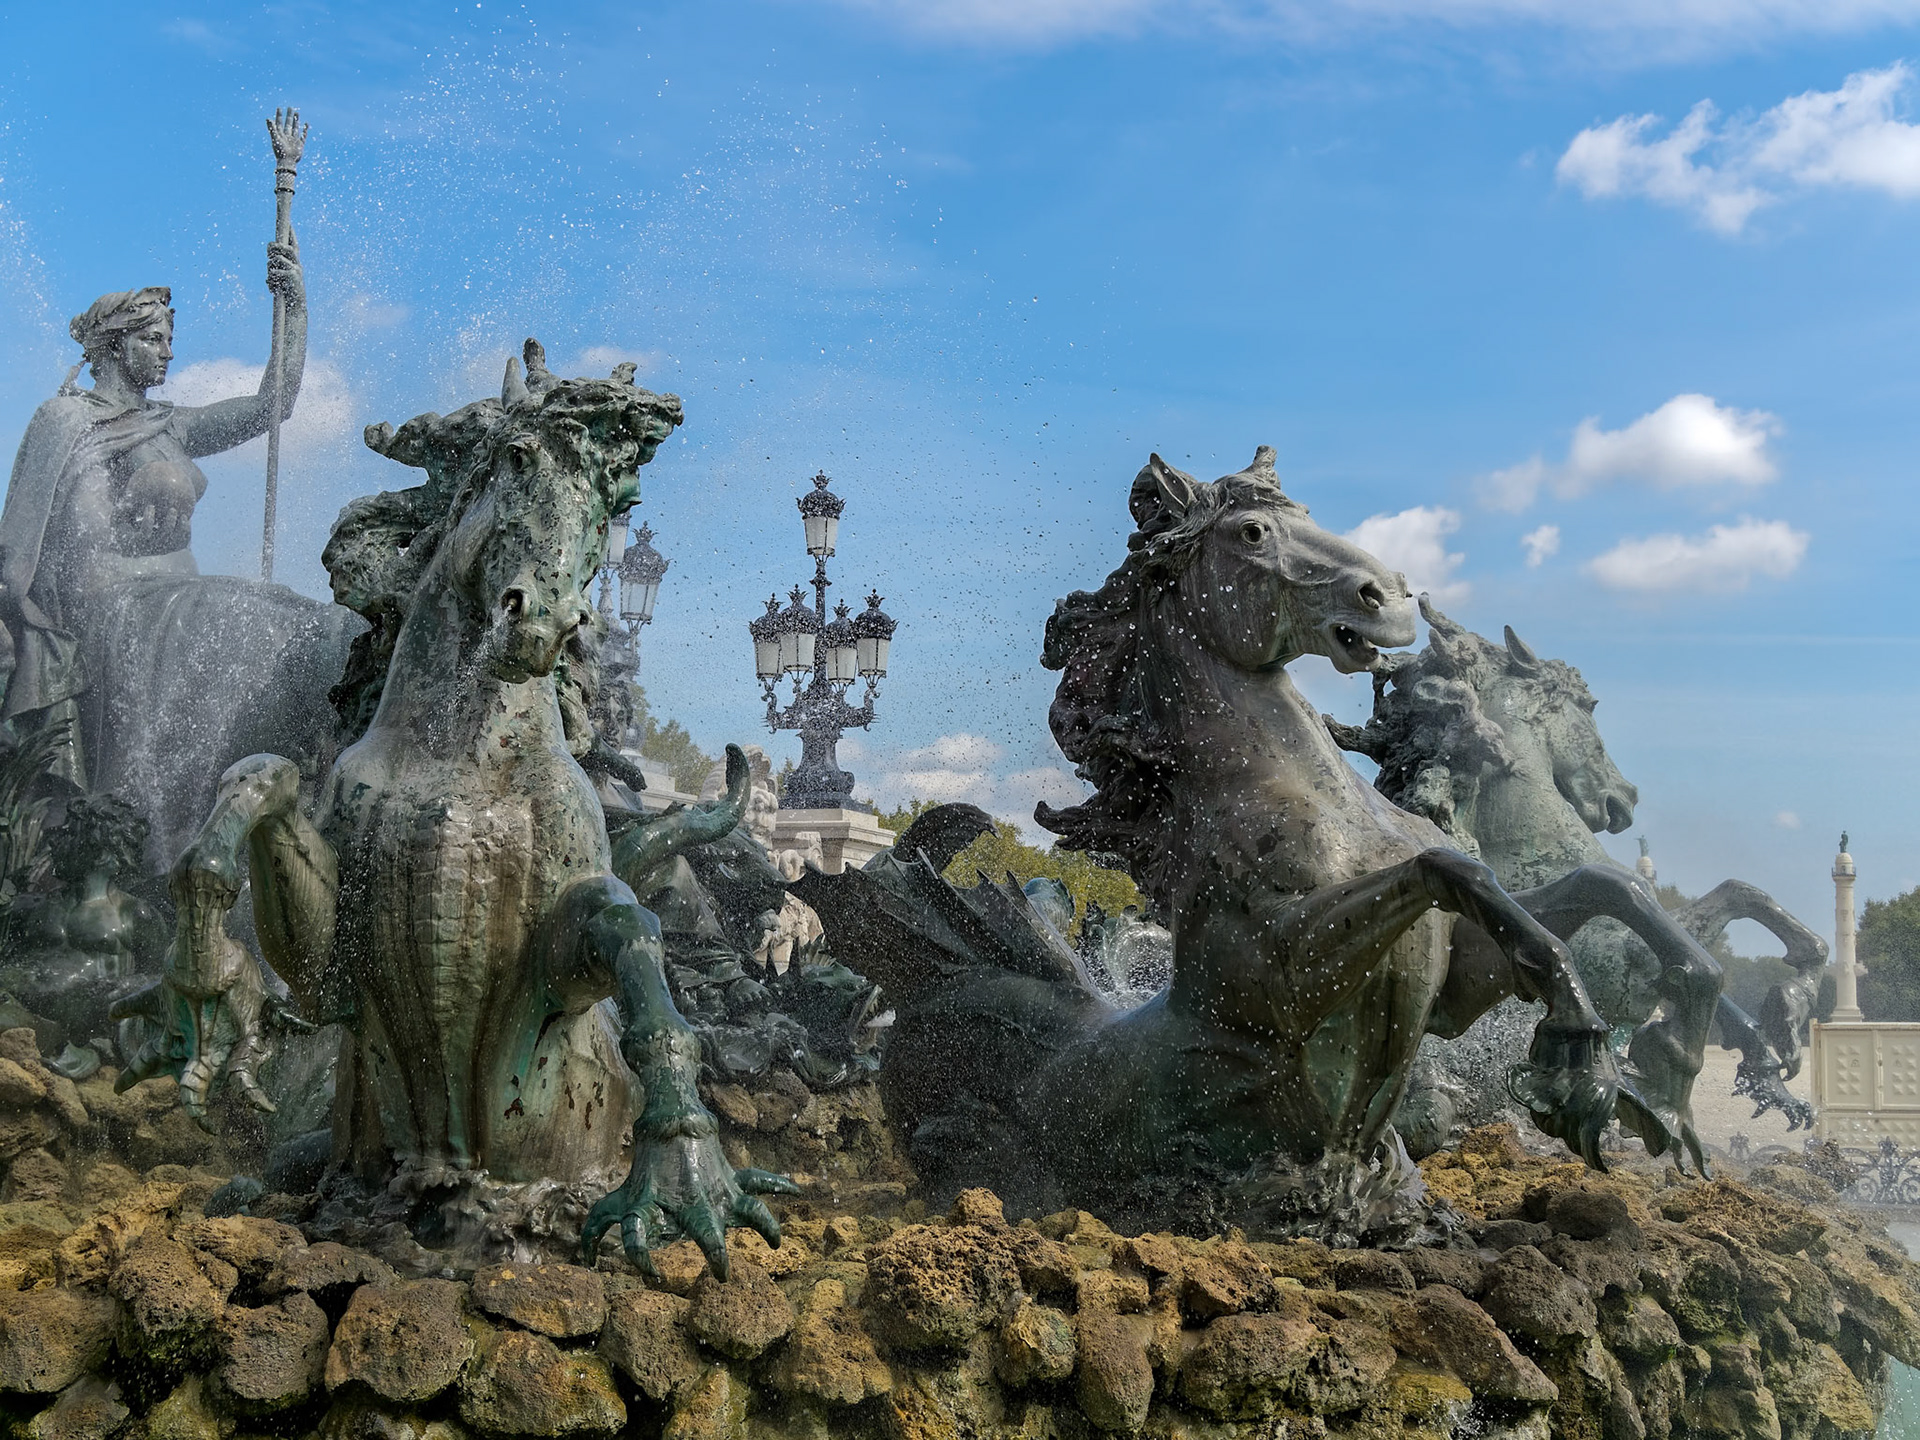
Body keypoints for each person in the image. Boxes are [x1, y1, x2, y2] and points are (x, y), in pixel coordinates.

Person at [0, 234, 361, 860]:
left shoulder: (170, 425)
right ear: (115, 346)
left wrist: (296, 308)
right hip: (110, 608)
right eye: (153, 339)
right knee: (235, 613)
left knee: (309, 620)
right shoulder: (64, 420)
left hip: (173, 599)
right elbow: (16, 550)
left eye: (169, 339)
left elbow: (272, 405)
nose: (169, 352)